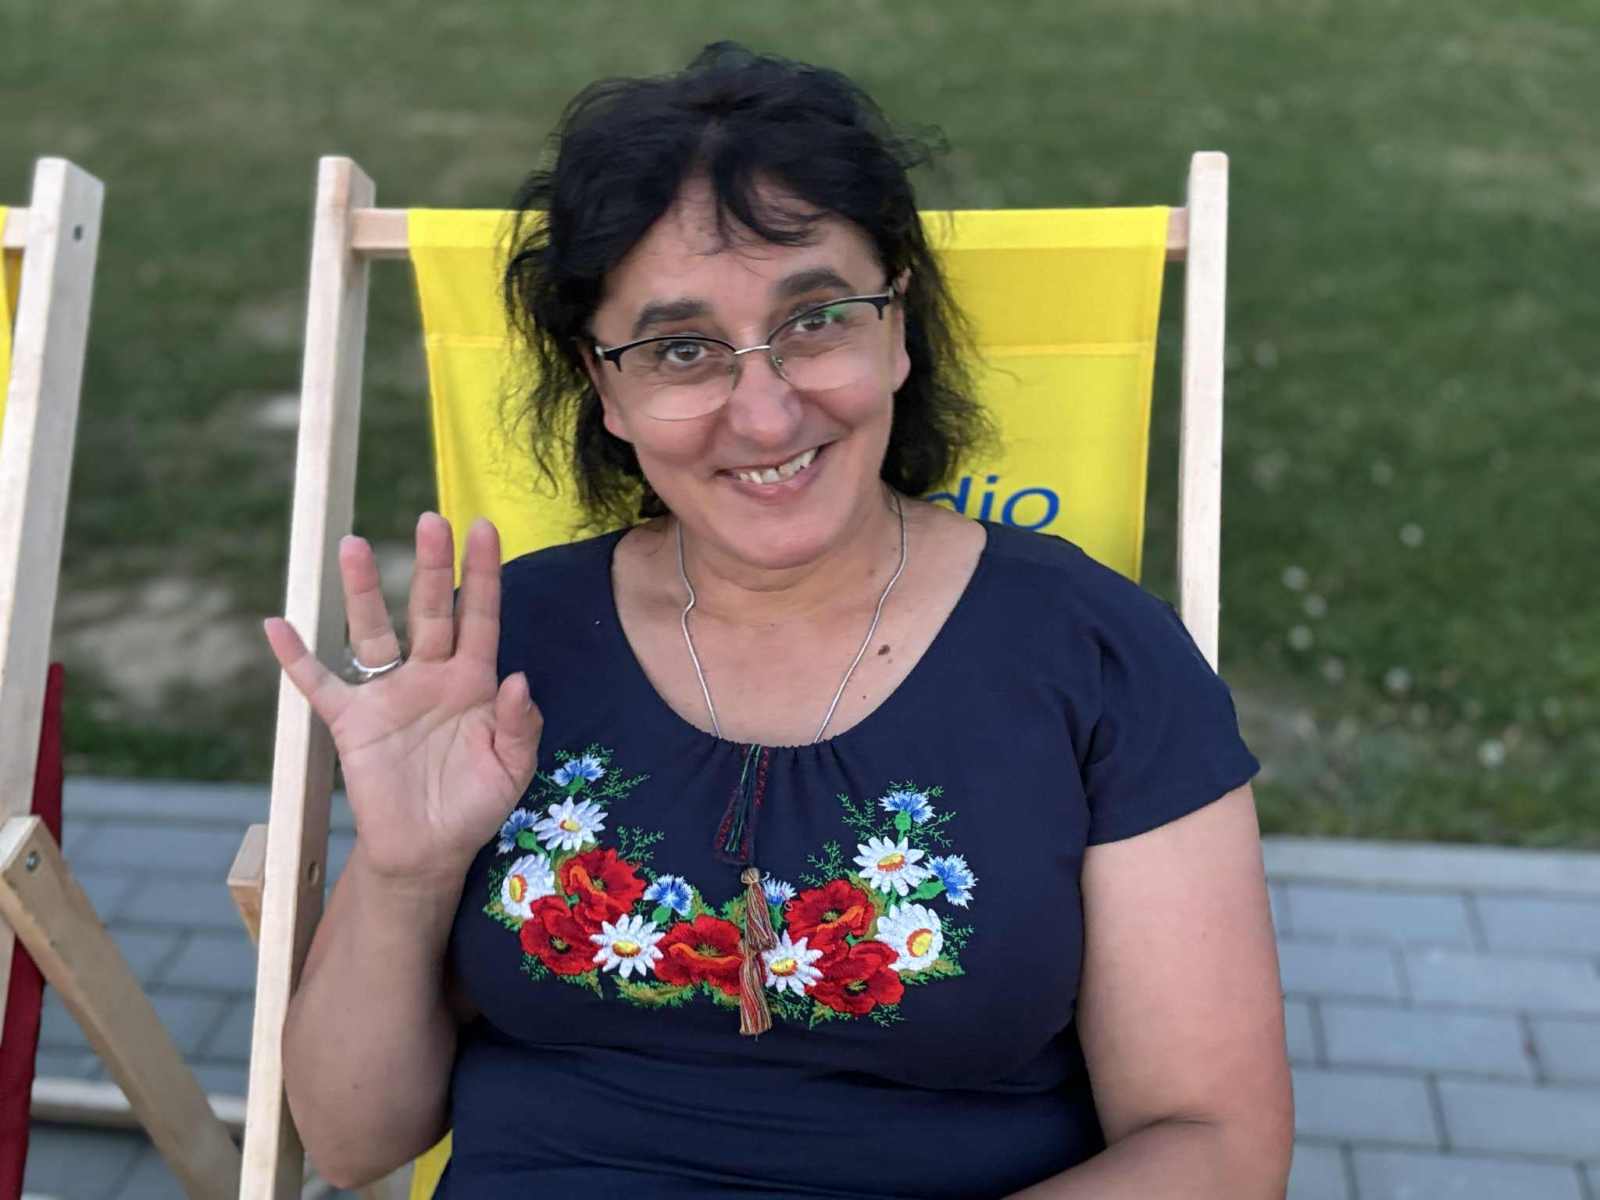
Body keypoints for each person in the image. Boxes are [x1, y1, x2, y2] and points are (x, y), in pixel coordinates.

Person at [264, 43, 1293, 1199]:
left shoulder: (1094, 658)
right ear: (606, 388)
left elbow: (1215, 1144)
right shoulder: (498, 663)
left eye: (816, 320)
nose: (764, 413)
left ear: (897, 326)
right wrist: (404, 875)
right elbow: (352, 1143)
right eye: (680, 350)